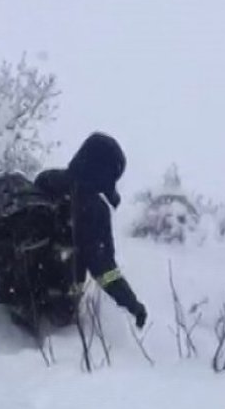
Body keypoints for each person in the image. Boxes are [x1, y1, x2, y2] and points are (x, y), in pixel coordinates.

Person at [12, 132, 147, 332]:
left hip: (17, 280)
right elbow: (103, 270)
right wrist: (132, 304)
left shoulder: (47, 178)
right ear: (104, 173)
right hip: (54, 302)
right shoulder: (94, 210)